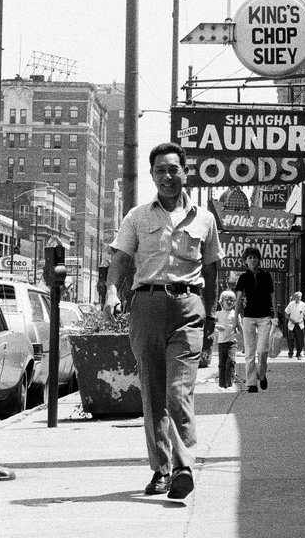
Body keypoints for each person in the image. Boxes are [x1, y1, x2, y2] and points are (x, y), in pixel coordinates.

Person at [103, 142, 222, 500]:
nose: (168, 176)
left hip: (188, 308)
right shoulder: (137, 216)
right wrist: (111, 292)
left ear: (185, 172)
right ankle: (161, 469)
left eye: (174, 169)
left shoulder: (204, 219)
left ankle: (184, 467)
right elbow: (121, 260)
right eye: (160, 171)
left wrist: (212, 316)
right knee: (154, 393)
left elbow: (213, 272)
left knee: (177, 391)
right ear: (153, 175)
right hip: (146, 306)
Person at [235, 246, 277, 393]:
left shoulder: (266, 276)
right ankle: (251, 383)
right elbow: (239, 299)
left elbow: (272, 296)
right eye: (249, 258)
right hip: (248, 317)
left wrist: (275, 316)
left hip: (265, 316)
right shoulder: (243, 277)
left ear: (259, 259)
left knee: (263, 350)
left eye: (255, 257)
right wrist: (235, 319)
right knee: (250, 352)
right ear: (245, 261)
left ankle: (262, 374)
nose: (253, 260)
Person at [215, 290, 239, 388]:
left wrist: (238, 331)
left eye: (232, 300)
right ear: (221, 301)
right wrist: (216, 326)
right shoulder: (218, 314)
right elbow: (212, 325)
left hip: (232, 342)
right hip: (221, 342)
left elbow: (239, 326)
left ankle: (229, 383)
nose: (230, 302)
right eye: (227, 300)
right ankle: (222, 384)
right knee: (222, 364)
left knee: (231, 361)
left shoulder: (235, 314)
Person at [284, 290, 305, 359]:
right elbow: (286, 314)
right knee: (291, 339)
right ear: (294, 297)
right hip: (292, 324)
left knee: (299, 340)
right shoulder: (291, 304)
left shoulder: (303, 304)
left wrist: (302, 320)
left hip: (299, 325)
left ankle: (298, 354)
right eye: (297, 297)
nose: (298, 298)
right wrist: (290, 319)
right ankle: (290, 353)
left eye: (299, 297)